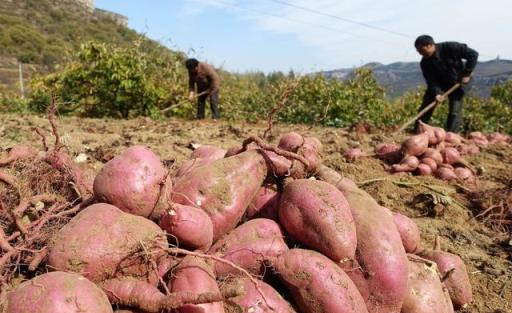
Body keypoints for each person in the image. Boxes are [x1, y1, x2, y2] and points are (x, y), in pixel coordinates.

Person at [414, 35, 478, 133]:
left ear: (430, 45)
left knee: (454, 111)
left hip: (458, 82)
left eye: (422, 50)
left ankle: (451, 135)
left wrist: (467, 73)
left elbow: (473, 54)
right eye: (418, 51)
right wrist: (437, 93)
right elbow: (431, 81)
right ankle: (417, 130)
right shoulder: (425, 63)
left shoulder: (451, 47)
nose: (420, 54)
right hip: (440, 84)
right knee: (426, 105)